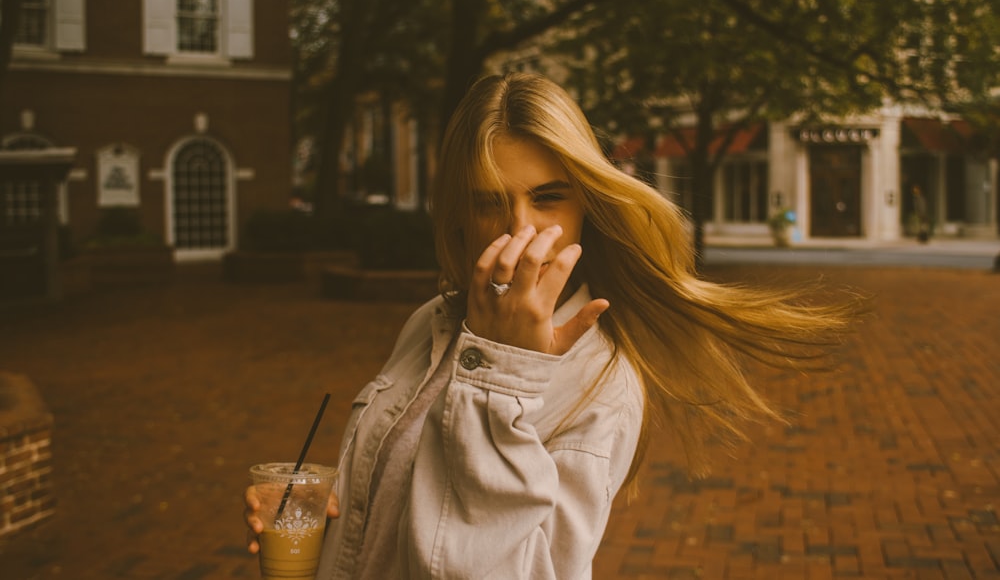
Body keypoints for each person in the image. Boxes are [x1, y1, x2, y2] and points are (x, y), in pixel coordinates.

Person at [244, 72, 860, 579]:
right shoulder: (428, 323)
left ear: (587, 202)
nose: (520, 229)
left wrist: (501, 376)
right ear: (458, 212)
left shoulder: (602, 380)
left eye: (547, 197)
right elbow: (397, 520)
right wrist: (327, 527)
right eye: (489, 199)